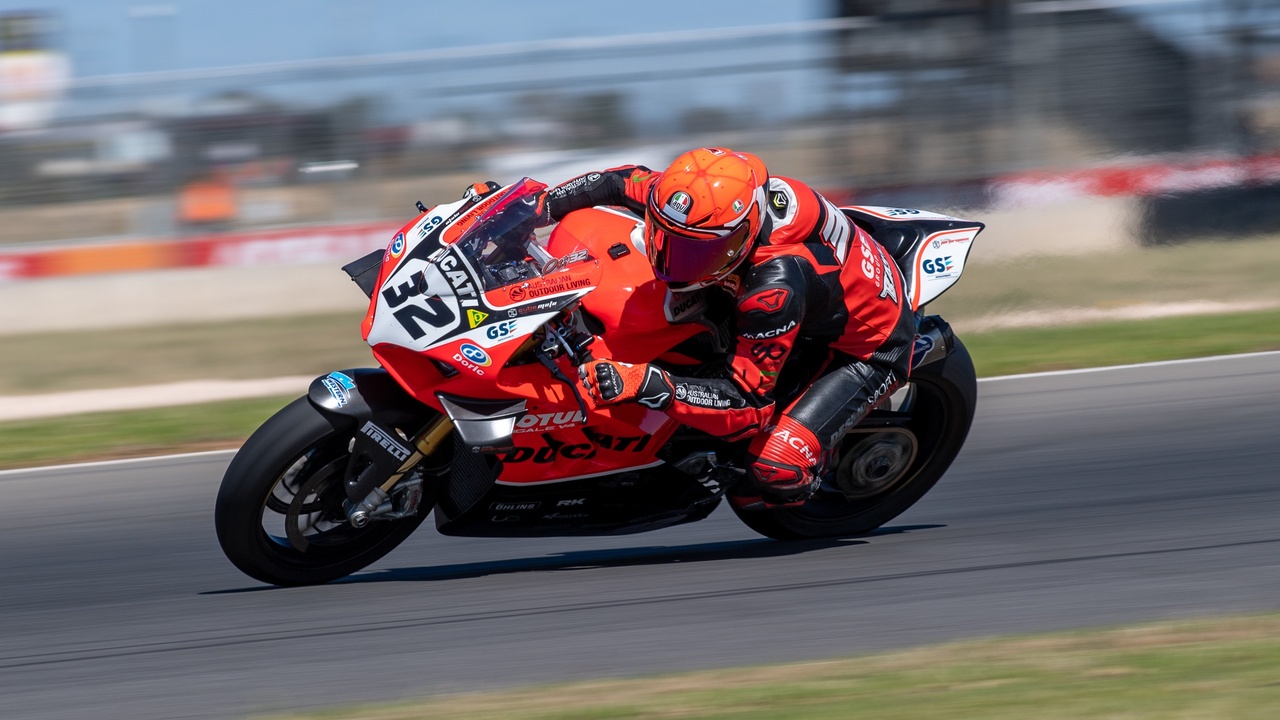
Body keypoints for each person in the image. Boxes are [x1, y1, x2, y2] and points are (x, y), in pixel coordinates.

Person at [541, 147, 914, 508]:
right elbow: (613, 182)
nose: (674, 262)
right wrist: (534, 207)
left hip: (865, 348)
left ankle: (815, 477)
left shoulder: (773, 288)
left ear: (745, 233)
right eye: (665, 237)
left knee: (774, 469)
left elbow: (750, 406)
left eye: (697, 253)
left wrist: (650, 384)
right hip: (817, 291)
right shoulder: (696, 195)